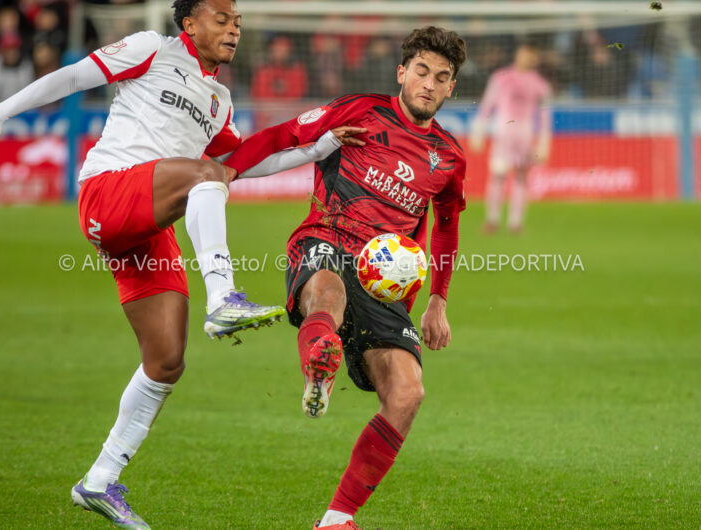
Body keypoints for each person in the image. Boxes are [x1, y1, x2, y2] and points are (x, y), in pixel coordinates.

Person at [0, 0, 363, 528]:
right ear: (189, 23)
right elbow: (72, 77)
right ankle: (223, 298)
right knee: (205, 177)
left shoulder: (219, 101)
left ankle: (99, 480)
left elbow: (239, 164)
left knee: (165, 360)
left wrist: (320, 147)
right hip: (107, 192)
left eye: (237, 22)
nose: (233, 29)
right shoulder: (151, 48)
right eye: (222, 18)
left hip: (147, 225)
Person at [225, 26, 467, 530]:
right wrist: (224, 171)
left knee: (407, 393)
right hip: (327, 239)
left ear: (452, 87)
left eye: (441, 77)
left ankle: (336, 519)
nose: (428, 84)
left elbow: (447, 224)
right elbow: (283, 136)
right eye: (421, 71)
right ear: (401, 72)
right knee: (327, 295)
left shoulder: (448, 155)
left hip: (383, 282)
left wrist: (438, 300)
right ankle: (321, 361)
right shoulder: (359, 110)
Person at [470, 43, 551, 234]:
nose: (527, 58)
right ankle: (493, 219)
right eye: (524, 54)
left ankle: (516, 222)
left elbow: (545, 116)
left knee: (521, 176)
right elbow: (487, 105)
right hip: (503, 133)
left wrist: (544, 143)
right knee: (498, 174)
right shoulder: (501, 78)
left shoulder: (540, 84)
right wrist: (478, 130)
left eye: (531, 56)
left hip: (525, 135)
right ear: (517, 55)